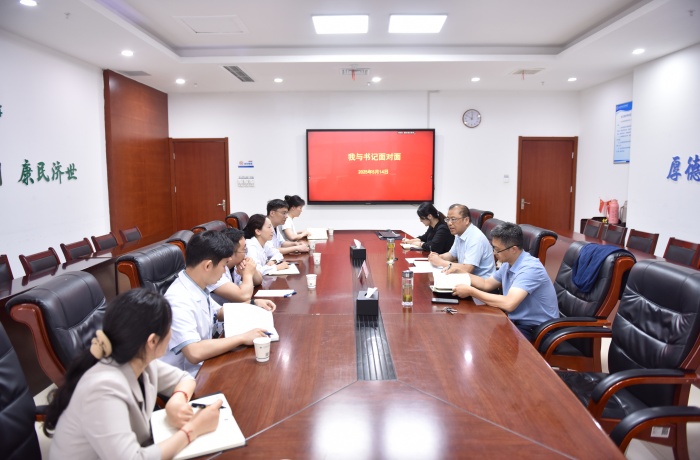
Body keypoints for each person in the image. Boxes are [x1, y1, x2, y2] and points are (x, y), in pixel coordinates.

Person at [44, 289, 221, 459]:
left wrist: (177, 400)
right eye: (169, 327)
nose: (172, 332)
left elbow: (184, 379)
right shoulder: (102, 389)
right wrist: (193, 429)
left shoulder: (139, 359)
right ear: (152, 341)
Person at [162, 230, 268, 376]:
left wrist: (252, 303)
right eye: (224, 265)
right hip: (185, 377)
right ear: (208, 266)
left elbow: (217, 312)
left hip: (204, 366)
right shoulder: (178, 300)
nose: (224, 271)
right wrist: (243, 337)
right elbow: (194, 352)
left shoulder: (196, 285)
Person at [452, 222, 558, 341]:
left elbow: (509, 304)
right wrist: (461, 273)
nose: (494, 253)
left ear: (513, 249)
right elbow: (486, 284)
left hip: (537, 328)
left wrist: (471, 292)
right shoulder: (508, 263)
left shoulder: (530, 268)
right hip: (517, 321)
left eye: (497, 250)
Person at [208, 228, 276, 311]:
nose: (246, 253)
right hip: (222, 315)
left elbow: (258, 281)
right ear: (231, 252)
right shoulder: (215, 270)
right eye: (244, 249)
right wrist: (247, 274)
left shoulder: (236, 264)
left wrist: (252, 268)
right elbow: (243, 296)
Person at [427, 203, 495, 277]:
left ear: (466, 220)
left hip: (481, 281)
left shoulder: (475, 238)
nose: (449, 223)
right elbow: (452, 255)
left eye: (453, 219)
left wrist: (440, 262)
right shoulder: (459, 233)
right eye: (448, 219)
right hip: (466, 277)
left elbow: (468, 269)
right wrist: (439, 257)